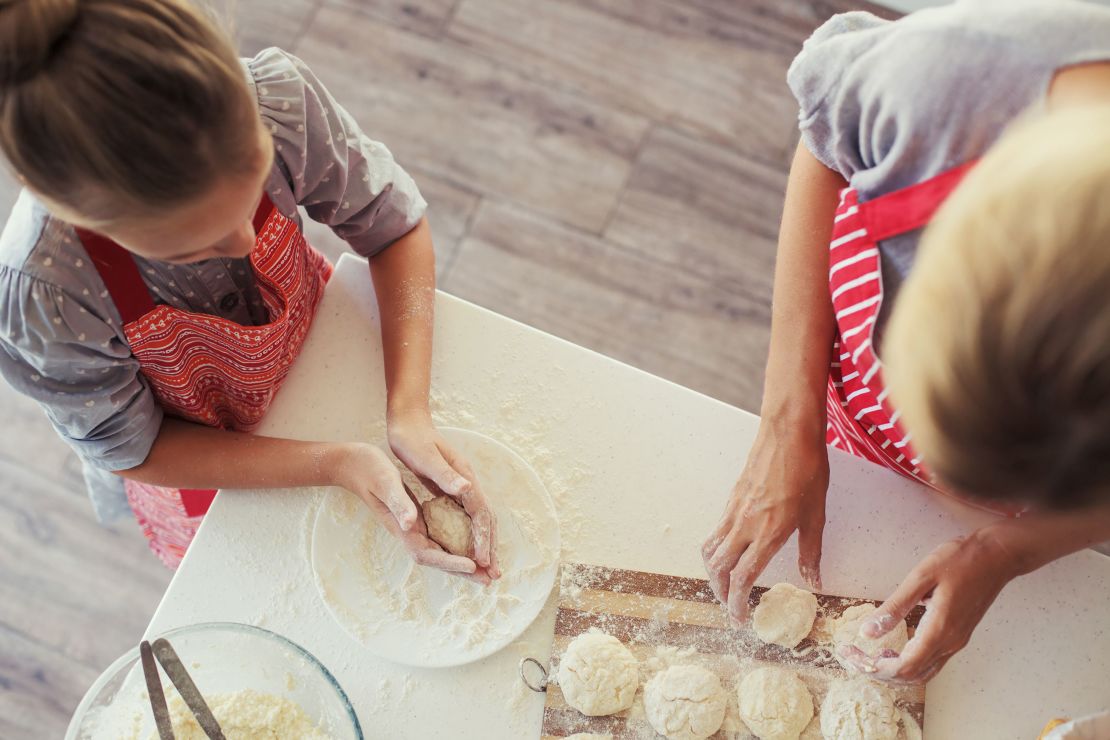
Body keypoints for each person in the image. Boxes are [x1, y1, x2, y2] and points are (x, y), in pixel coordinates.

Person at [0, 0, 499, 580]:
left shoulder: (277, 101)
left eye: (250, 202)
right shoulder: (48, 296)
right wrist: (333, 463)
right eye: (194, 247)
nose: (243, 243)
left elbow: (394, 229)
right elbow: (139, 448)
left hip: (320, 355)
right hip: (202, 459)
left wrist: (407, 410)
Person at [703, 0, 1110, 684]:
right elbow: (826, 139)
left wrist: (1010, 549)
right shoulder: (949, 79)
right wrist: (788, 418)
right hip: (844, 434)